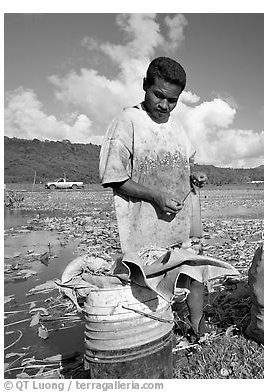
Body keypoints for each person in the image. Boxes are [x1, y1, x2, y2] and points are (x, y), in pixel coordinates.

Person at [99, 56, 211, 337]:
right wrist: (156, 196)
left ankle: (198, 327)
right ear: (145, 86)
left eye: (172, 100)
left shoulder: (176, 128)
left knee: (194, 273)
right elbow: (114, 178)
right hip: (144, 226)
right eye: (158, 95)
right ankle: (156, 333)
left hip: (179, 220)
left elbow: (185, 164)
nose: (164, 105)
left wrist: (195, 175)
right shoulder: (127, 122)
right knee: (147, 285)